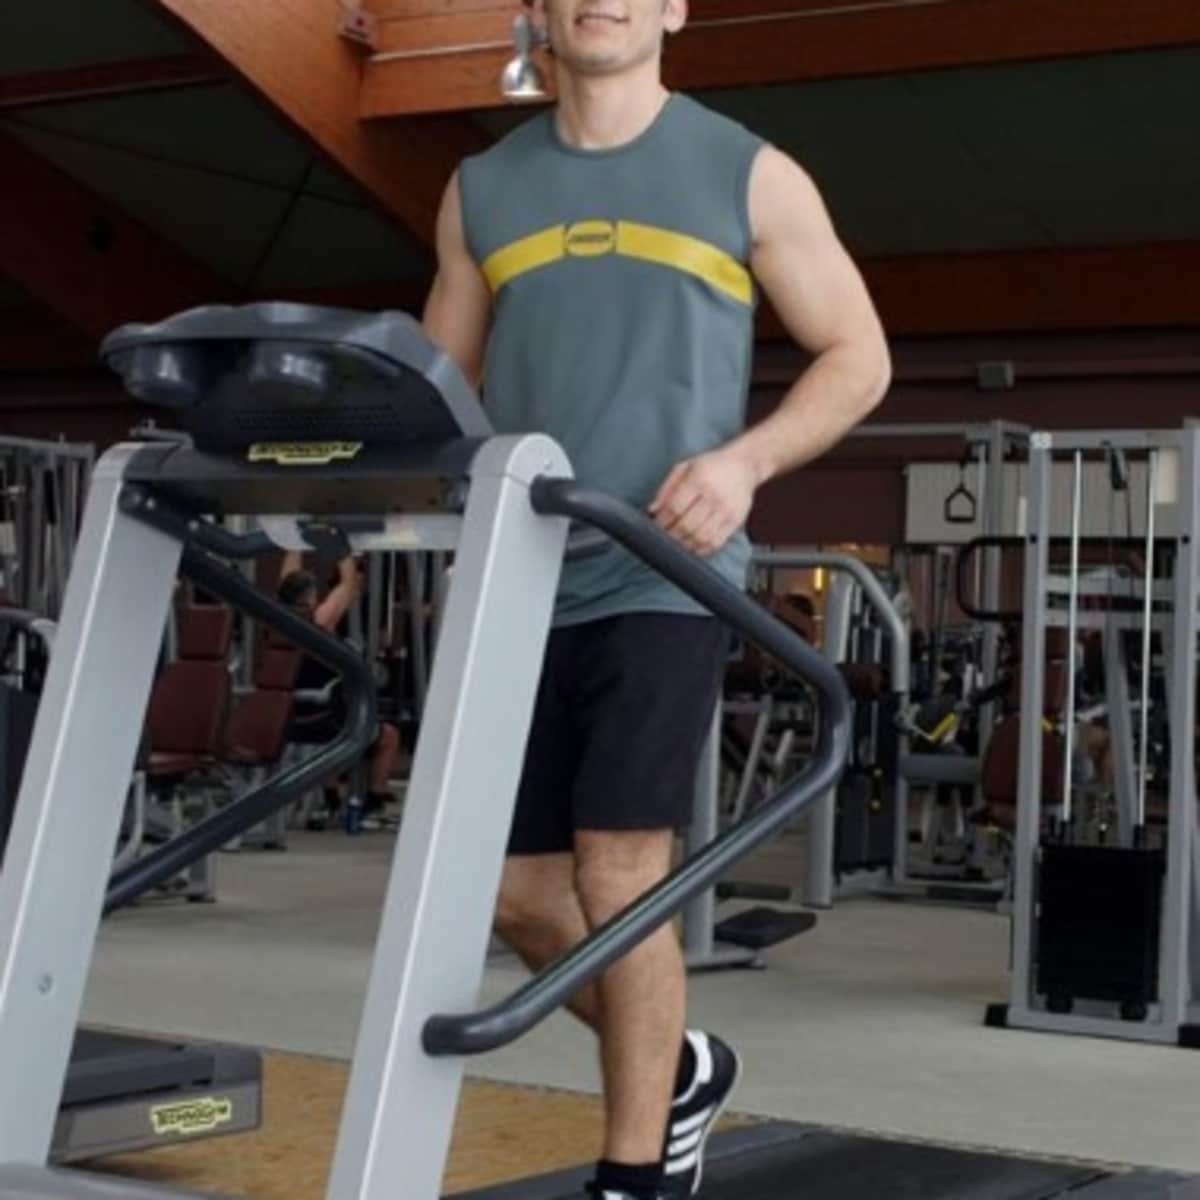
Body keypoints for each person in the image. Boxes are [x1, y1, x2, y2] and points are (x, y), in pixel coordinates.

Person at [423, 3, 891, 1196]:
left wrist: (744, 464)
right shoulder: (480, 190)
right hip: (524, 574)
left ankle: (635, 1175)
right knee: (519, 897)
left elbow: (858, 355)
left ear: (675, 4)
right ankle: (680, 1065)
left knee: (619, 875)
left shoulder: (748, 173)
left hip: (665, 570)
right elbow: (440, 389)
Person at [277, 554, 401, 827]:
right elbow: (348, 585)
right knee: (387, 736)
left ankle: (331, 794)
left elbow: (287, 582)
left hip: (291, 716)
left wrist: (293, 543)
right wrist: (344, 549)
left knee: (338, 726)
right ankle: (373, 801)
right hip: (323, 721)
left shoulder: (277, 621)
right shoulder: (316, 624)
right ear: (311, 599)